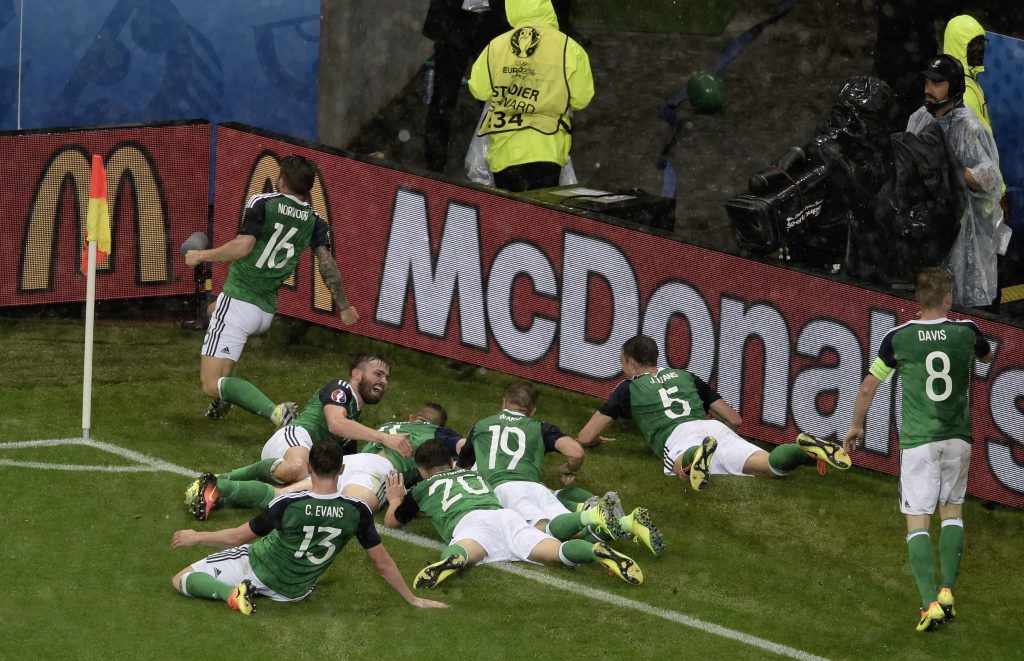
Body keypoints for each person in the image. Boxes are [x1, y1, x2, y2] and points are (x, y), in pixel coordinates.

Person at [843, 267, 991, 632]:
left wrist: (857, 425)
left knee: (917, 521)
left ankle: (928, 605)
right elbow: (986, 357)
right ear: (948, 298)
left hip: (919, 443)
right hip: (959, 439)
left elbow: (868, 387)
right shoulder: (967, 331)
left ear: (916, 299)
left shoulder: (898, 338)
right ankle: (946, 591)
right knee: (952, 512)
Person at [171, 441, 447, 615]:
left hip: (260, 568)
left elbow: (237, 536)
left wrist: (197, 537)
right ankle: (244, 588)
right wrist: (412, 599)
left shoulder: (289, 503)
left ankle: (231, 594)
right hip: (295, 591)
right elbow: (383, 564)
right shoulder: (358, 511)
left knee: (182, 578)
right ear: (341, 469)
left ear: (310, 468)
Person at [184, 155, 359, 425]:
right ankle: (227, 397)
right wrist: (344, 305)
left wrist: (201, 256)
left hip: (239, 300)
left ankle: (275, 412)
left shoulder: (263, 202)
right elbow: (326, 263)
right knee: (213, 310)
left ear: (280, 180)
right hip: (265, 311)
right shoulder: (315, 220)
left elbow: (243, 247)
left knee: (209, 382)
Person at [577, 335, 850, 491]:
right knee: (771, 467)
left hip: (678, 436)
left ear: (631, 362)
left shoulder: (628, 387)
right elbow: (734, 419)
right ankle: (802, 449)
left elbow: (585, 436)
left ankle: (695, 458)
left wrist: (596, 440)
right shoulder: (685, 375)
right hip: (712, 428)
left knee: (679, 470)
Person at [384, 439, 644, 588]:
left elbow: (392, 521)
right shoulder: (475, 475)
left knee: (467, 550)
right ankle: (593, 551)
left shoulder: (422, 488)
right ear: (452, 463)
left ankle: (452, 561)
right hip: (504, 516)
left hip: (470, 522)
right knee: (554, 553)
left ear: (422, 469)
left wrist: (396, 499)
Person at [184, 354, 413, 520]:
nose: (384, 381)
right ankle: (218, 480)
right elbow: (335, 423)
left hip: (306, 456)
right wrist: (384, 438)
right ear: (356, 374)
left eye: (387, 378)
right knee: (297, 468)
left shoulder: (355, 421)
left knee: (304, 489)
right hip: (295, 436)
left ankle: (217, 493)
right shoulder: (341, 388)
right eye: (378, 374)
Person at [458, 380, 664, 556]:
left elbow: (461, 470)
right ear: (532, 411)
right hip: (536, 489)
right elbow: (576, 451)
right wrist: (569, 469)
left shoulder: (481, 426)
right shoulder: (540, 427)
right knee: (568, 529)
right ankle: (627, 522)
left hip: (505, 492)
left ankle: (596, 514)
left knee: (541, 538)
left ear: (503, 402)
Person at [907, 55, 1009, 308]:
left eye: (937, 83)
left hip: (962, 231)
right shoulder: (919, 119)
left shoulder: (970, 127)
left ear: (953, 86)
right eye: (927, 82)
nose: (928, 89)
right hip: (929, 225)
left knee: (961, 298)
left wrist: (954, 168)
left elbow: (990, 179)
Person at [467, 0, 593, 192]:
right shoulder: (569, 47)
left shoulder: (496, 46)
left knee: (510, 217)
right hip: (548, 149)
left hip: (505, 152)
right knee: (540, 217)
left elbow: (479, 88)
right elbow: (581, 98)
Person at [422, 0, 508, 174]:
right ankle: (434, 168)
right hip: (455, 19)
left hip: (492, 22)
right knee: (443, 99)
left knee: (495, 100)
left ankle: (495, 167)